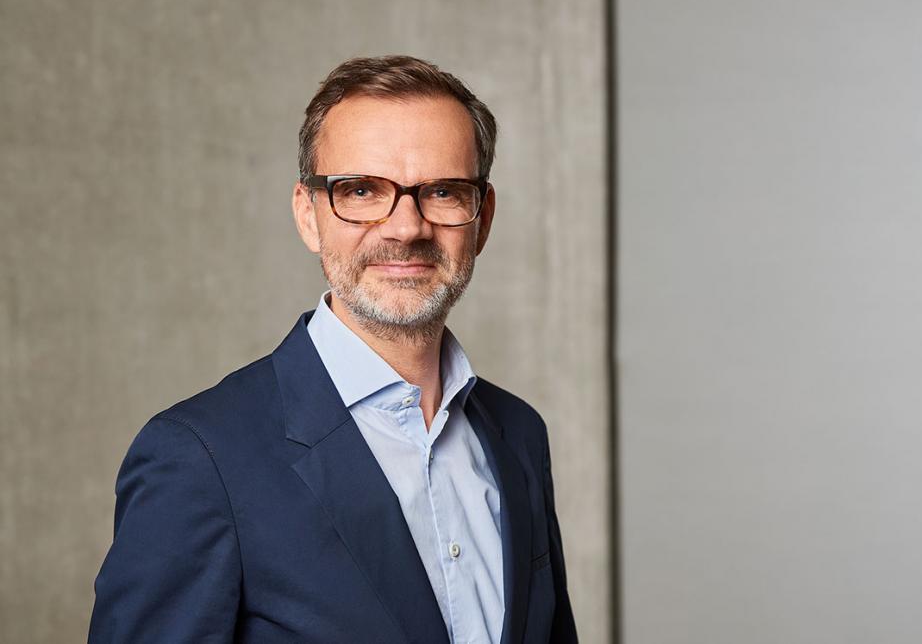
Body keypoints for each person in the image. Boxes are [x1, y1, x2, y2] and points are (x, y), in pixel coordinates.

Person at [88, 55, 578, 643]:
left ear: (483, 217)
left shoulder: (519, 435)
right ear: (308, 214)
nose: (406, 227)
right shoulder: (200, 458)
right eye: (362, 190)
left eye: (444, 191)